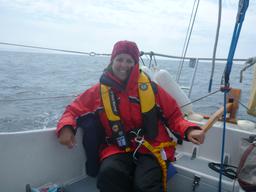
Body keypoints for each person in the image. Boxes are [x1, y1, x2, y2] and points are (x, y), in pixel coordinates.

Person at [56, 40, 205, 192]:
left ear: (135, 64)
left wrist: (189, 130)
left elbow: (174, 116)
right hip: (117, 147)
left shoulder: (152, 89)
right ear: (112, 61)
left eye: (129, 61)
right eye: (119, 59)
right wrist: (66, 127)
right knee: (108, 175)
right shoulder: (97, 92)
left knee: (145, 186)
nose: (123, 65)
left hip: (152, 147)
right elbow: (72, 111)